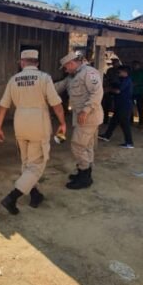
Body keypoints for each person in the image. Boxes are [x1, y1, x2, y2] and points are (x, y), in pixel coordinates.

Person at [0, 50, 67, 215]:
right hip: (38, 123)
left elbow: (3, 106)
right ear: (37, 63)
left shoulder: (13, 80)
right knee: (36, 165)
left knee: (26, 162)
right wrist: (62, 123)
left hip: (20, 123)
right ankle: (12, 197)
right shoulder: (44, 78)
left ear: (22, 63)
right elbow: (56, 104)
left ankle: (35, 195)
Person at [54, 52, 103, 190]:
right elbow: (59, 86)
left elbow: (97, 92)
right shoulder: (73, 76)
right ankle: (85, 174)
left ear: (71, 63)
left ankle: (84, 177)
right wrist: (42, 87)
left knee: (77, 145)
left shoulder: (89, 72)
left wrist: (86, 110)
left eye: (65, 67)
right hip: (81, 117)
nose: (65, 70)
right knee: (86, 146)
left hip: (88, 116)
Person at [99, 65, 134, 147]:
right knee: (113, 121)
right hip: (119, 105)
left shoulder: (127, 80)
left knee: (125, 124)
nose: (118, 73)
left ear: (125, 72)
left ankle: (129, 142)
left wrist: (108, 90)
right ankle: (107, 136)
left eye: (119, 72)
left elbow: (118, 91)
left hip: (124, 105)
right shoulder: (122, 80)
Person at [129, 61, 143, 127]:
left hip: (140, 92)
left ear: (139, 65)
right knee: (130, 107)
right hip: (131, 92)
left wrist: (138, 84)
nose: (135, 66)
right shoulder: (131, 72)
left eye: (136, 65)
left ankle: (141, 122)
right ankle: (130, 120)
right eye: (134, 65)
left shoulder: (142, 73)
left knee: (140, 107)